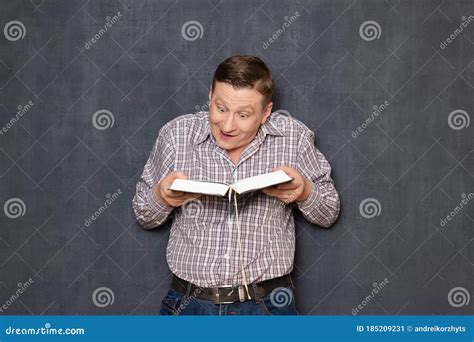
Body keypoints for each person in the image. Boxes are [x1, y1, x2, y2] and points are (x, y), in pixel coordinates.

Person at [132, 55, 340, 315]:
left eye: (243, 115)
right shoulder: (176, 135)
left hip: (267, 307)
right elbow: (143, 213)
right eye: (220, 108)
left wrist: (305, 191)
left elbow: (329, 211)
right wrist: (161, 197)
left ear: (266, 112)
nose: (227, 125)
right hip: (189, 306)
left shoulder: (293, 138)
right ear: (210, 95)